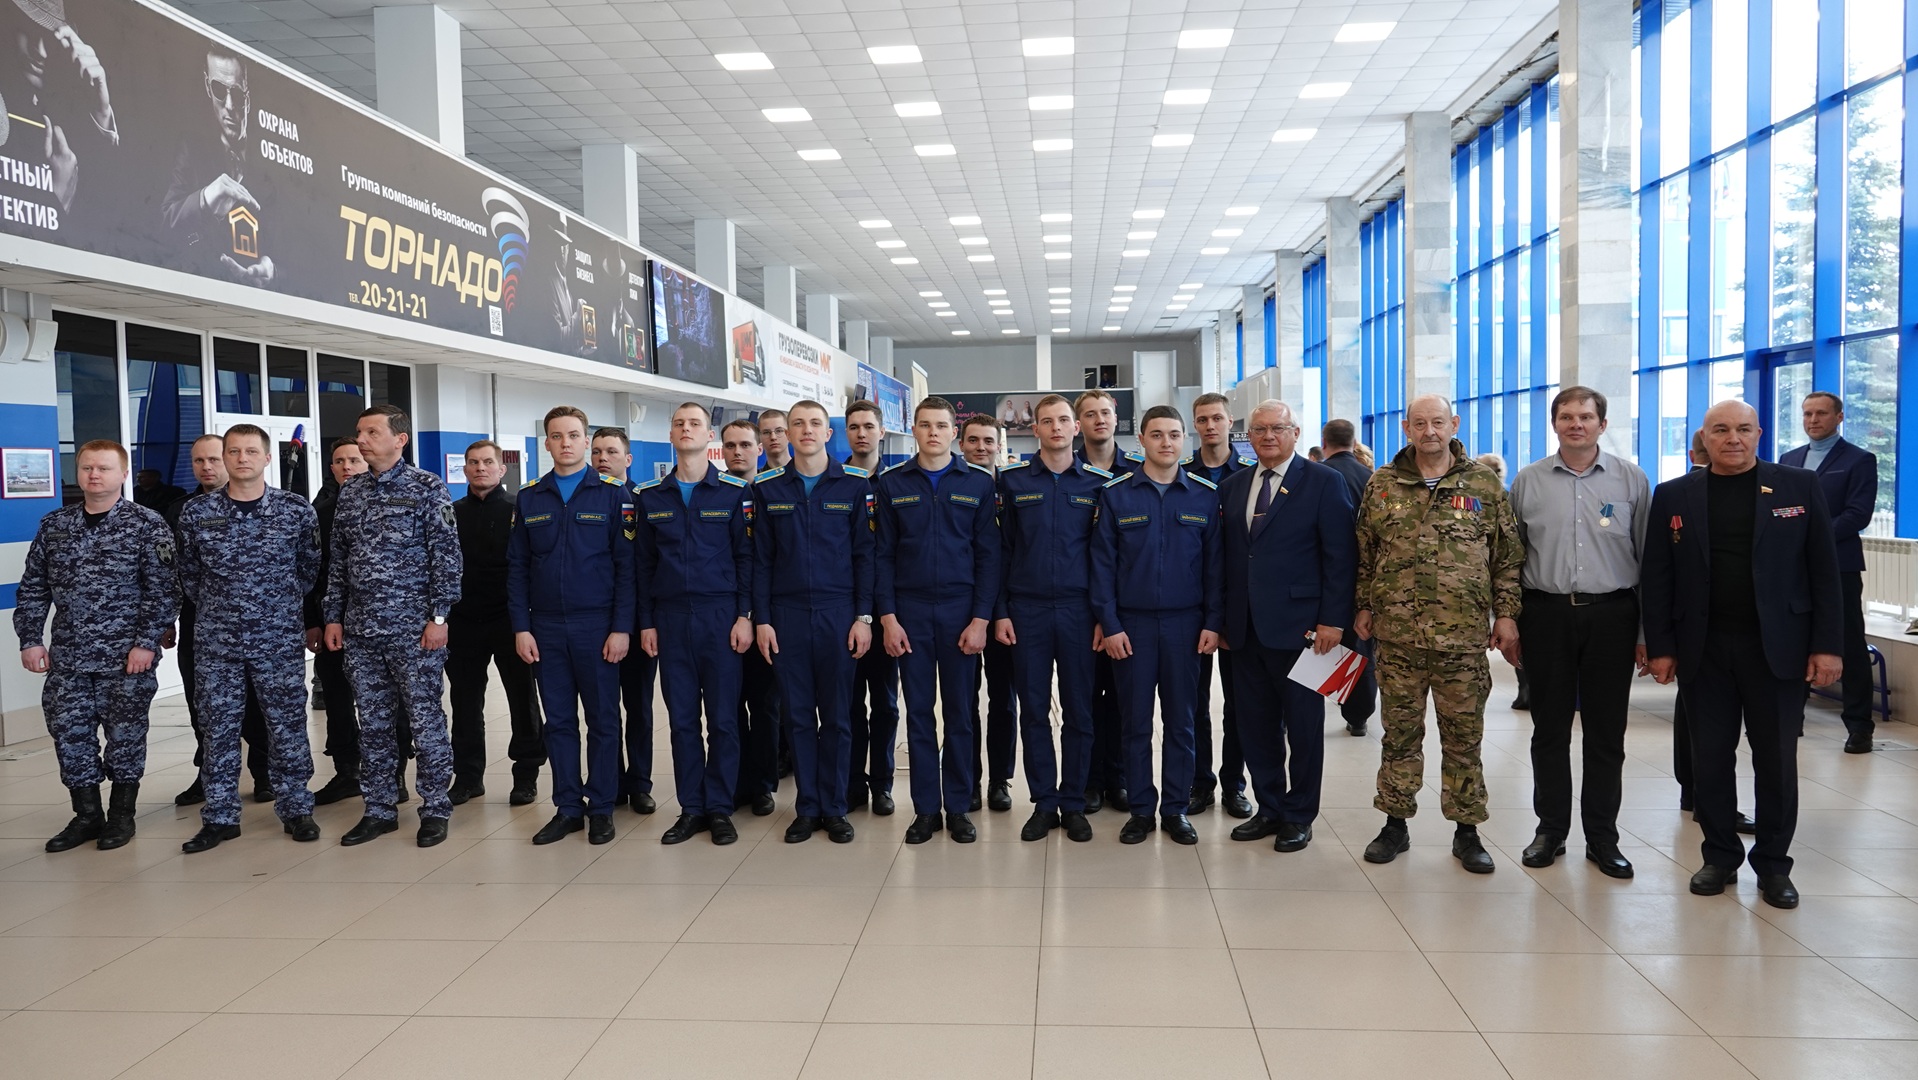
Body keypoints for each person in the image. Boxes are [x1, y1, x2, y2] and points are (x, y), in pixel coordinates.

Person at [1642, 400, 1842, 910]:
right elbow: (1658, 576)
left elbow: (1824, 570)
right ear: (1703, 438)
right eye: (1721, 430)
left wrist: (1827, 646)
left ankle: (1774, 866)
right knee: (1710, 759)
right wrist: (1661, 647)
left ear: (1759, 433)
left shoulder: (1798, 487)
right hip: (1704, 649)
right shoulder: (1674, 495)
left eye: (1744, 429)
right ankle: (1720, 856)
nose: (1733, 438)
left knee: (1776, 761)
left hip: (1778, 649)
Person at [1354, 394, 1522, 874]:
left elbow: (1506, 557)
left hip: (1462, 640)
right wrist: (1363, 605)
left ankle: (1467, 832)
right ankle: (1395, 825)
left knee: (1464, 738)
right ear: (1406, 428)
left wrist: (1506, 615)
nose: (1429, 431)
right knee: (1399, 735)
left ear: (1454, 424)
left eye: (1438, 422)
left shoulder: (1484, 484)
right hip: (1397, 637)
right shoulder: (1382, 483)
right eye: (1420, 423)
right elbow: (1365, 552)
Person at [1509, 387, 1651, 879]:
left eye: (1586, 417)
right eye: (1566, 417)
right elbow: (1509, 559)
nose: (1576, 425)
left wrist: (1646, 633)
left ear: (1602, 424)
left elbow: (1649, 559)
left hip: (1613, 616)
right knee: (1549, 729)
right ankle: (1550, 831)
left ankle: (1603, 837)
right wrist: (1508, 621)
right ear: (1555, 424)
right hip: (1545, 615)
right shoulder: (1527, 482)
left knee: (1606, 733)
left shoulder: (1631, 480)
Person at [16, 440, 177, 853]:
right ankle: (87, 815)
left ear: (123, 474)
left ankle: (121, 815)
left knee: (125, 737)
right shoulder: (55, 525)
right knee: (70, 735)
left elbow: (163, 591)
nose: (94, 475)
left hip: (126, 659)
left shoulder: (146, 524)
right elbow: (33, 587)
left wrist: (146, 644)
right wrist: (30, 639)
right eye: (87, 467)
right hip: (68, 657)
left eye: (104, 468)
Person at [174, 424, 322, 851]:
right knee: (217, 727)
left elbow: (308, 569)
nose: (242, 459)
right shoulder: (197, 513)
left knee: (286, 724)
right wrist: (225, 607)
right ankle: (220, 816)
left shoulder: (295, 510)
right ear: (225, 457)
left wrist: (272, 606)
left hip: (277, 639)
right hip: (217, 642)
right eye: (234, 451)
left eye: (251, 451)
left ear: (267, 458)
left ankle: (296, 808)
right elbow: (189, 574)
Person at [1218, 400, 1356, 853]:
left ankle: (1299, 815)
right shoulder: (1233, 486)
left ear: (1296, 433)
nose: (1268, 436)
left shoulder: (1323, 481)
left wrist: (1333, 620)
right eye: (1259, 430)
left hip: (1306, 633)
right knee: (1255, 726)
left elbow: (1341, 557)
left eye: (1278, 428)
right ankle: (1270, 807)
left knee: (1304, 729)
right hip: (1245, 631)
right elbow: (1228, 559)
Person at [323, 405, 463, 848]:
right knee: (374, 723)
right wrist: (333, 615)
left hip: (414, 631)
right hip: (362, 631)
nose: (361, 440)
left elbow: (447, 557)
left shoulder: (427, 487)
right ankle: (379, 808)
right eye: (359, 432)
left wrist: (439, 617)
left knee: (425, 721)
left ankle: (435, 807)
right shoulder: (351, 491)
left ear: (400, 439)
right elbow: (339, 560)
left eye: (371, 432)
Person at [1091, 405, 1223, 845]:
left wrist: (1213, 621)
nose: (1166, 442)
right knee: (1135, 723)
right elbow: (1102, 566)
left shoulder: (1204, 496)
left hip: (1187, 625)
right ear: (1142, 440)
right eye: (1157, 434)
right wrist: (1110, 624)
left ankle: (1176, 809)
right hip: (1132, 626)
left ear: (1184, 440)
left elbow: (1215, 568)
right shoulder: (1116, 495)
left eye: (1174, 434)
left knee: (1182, 722)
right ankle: (1141, 810)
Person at [875, 396, 1001, 844]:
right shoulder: (892, 484)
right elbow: (882, 556)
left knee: (961, 714)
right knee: (919, 714)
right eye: (925, 425)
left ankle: (960, 806)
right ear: (914, 430)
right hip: (909, 613)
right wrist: (888, 618)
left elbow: (989, 558)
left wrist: (981, 619)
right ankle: (926, 809)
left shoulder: (979, 485)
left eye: (941, 426)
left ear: (954, 433)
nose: (933, 433)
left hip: (960, 613)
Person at [508, 407, 634, 846]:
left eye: (574, 435)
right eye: (557, 436)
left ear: (585, 441)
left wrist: (621, 627)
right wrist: (521, 627)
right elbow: (517, 568)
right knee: (558, 723)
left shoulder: (614, 495)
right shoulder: (530, 497)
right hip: (545, 628)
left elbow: (626, 568)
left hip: (597, 626)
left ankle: (601, 807)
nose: (566, 443)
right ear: (546, 443)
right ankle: (567, 808)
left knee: (602, 721)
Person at [755, 399, 875, 844]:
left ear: (829, 433)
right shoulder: (768, 489)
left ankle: (836, 807)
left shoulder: (855, 486)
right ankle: (807, 807)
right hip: (786, 617)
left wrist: (863, 617)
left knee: (839, 718)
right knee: (799, 717)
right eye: (798, 424)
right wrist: (762, 619)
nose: (806, 430)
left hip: (839, 614)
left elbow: (866, 557)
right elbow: (761, 561)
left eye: (815, 424)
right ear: (787, 433)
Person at [636, 403, 753, 845]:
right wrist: (646, 622)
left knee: (723, 720)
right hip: (669, 619)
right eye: (679, 423)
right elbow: (643, 566)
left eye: (695, 424)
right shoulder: (650, 496)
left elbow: (747, 559)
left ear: (710, 436)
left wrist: (744, 616)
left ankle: (720, 808)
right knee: (682, 720)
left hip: (720, 618)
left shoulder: (734, 493)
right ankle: (691, 808)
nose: (686, 429)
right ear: (670, 434)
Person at [995, 395, 1110, 843]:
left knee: (1080, 711)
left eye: (1064, 420)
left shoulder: (1098, 484)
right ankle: (1044, 802)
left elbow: (1107, 558)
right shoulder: (1012, 482)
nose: (1057, 428)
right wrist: (1001, 612)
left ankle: (1074, 802)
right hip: (1027, 612)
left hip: (1081, 612)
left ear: (1076, 428)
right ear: (1035, 429)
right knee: (1034, 711)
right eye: (1048, 421)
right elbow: (1002, 552)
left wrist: (1103, 617)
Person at [165, 433, 271, 807]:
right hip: (202, 627)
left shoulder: (271, 506)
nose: (207, 467)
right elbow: (175, 572)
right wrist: (167, 618)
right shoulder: (181, 511)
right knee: (204, 706)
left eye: (213, 459)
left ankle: (264, 773)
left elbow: (302, 569)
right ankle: (208, 774)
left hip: (259, 627)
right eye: (199, 461)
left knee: (258, 704)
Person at [1778, 391, 1880, 754]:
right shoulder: (1789, 460)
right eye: (1807, 413)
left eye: (1821, 413)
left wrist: (1813, 539)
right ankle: (1790, 719)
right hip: (1795, 566)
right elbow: (1780, 509)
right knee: (1794, 640)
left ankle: (1859, 726)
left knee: (1848, 644)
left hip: (1839, 566)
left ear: (1839, 417)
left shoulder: (1859, 460)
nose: (1812, 420)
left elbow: (1858, 514)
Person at [446, 439, 544, 806]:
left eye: (488, 462)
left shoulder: (519, 509)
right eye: (473, 463)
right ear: (465, 470)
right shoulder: (450, 513)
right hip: (463, 621)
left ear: (502, 469)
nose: (480, 468)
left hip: (510, 619)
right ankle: (468, 777)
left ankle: (526, 775)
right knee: (464, 702)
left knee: (522, 699)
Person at [1186, 392, 1255, 818]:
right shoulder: (1181, 472)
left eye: (1217, 418)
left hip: (1238, 606)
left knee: (1238, 703)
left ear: (1231, 422)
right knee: (1193, 704)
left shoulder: (1250, 475)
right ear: (1194, 425)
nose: (1210, 426)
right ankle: (1200, 783)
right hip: (1192, 604)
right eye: (1202, 419)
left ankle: (1234, 784)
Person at [1075, 389, 1140, 814]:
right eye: (1090, 414)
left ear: (1116, 419)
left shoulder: (1137, 470)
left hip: (1123, 607)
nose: (1099, 419)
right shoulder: (1067, 469)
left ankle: (1118, 778)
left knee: (1121, 697)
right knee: (1083, 698)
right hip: (1077, 606)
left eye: (1105, 413)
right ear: (1078, 423)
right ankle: (1089, 781)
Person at [161, 48, 276, 286]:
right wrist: (204, 198)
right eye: (219, 90)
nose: (230, 105)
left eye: (237, 93)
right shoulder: (191, 149)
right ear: (207, 86)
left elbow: (306, 250)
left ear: (248, 98)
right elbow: (162, 227)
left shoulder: (273, 163)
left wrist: (273, 271)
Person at [592, 428, 659, 815]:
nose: (603, 458)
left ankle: (640, 782)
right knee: (603, 710)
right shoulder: (589, 497)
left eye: (612, 452)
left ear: (628, 459)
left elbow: (648, 564)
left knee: (639, 707)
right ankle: (611, 781)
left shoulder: (644, 500)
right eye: (597, 451)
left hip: (638, 623)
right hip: (599, 621)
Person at [0, 0, 118, 214]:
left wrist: (101, 110)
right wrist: (54, 201)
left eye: (49, 35)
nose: (41, 51)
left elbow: (113, 211)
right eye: (28, 28)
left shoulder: (55, 103)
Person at [844, 400, 899, 815]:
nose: (861, 433)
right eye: (854, 427)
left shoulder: (896, 483)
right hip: (844, 610)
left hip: (885, 613)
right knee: (846, 704)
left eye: (868, 426)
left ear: (882, 432)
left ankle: (881, 784)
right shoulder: (834, 481)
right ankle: (850, 783)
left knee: (884, 703)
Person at [722, 419, 779, 816]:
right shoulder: (717, 492)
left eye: (745, 444)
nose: (737, 452)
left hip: (767, 617)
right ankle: (735, 781)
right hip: (725, 618)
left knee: (765, 705)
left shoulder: (772, 491)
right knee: (728, 706)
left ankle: (762, 784)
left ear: (760, 449)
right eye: (730, 446)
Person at [961, 414, 1018, 813]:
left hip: (1006, 612)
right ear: (961, 444)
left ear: (999, 445)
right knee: (963, 702)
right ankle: (969, 780)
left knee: (1003, 699)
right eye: (973, 440)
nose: (981, 447)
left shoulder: (1013, 486)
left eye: (988, 441)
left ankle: (1000, 779)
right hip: (963, 610)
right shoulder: (954, 485)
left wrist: (1002, 610)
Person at [306, 438, 367, 805]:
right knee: (337, 698)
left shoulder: (382, 506)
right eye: (340, 461)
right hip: (332, 622)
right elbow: (309, 572)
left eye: (354, 460)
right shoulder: (320, 512)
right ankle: (347, 771)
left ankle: (390, 774)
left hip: (378, 622)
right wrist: (312, 620)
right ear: (331, 468)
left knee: (385, 701)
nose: (347, 467)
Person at [1320, 419, 1378, 737]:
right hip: (1364, 576)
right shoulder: (1372, 478)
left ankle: (1300, 712)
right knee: (1360, 645)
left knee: (1320, 645)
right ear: (1354, 442)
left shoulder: (1316, 476)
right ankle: (1357, 716)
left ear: (1323, 442)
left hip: (1325, 576)